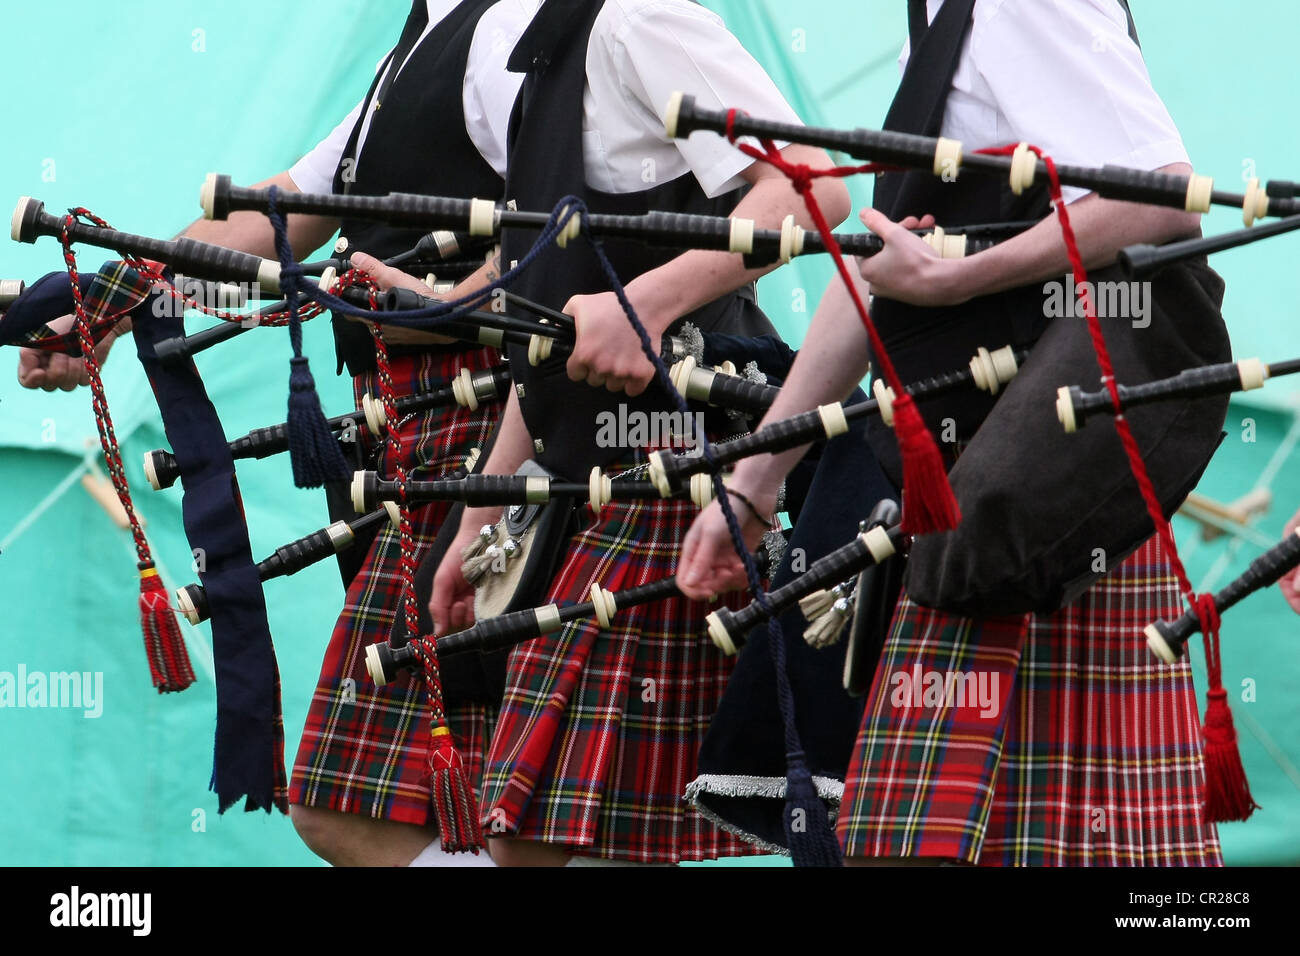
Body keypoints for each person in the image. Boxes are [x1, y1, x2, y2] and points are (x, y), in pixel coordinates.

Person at [679, 0, 1224, 866]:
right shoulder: (940, 17)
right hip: (970, 515)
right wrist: (754, 480)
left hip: (1027, 502)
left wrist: (959, 279)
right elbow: (878, 271)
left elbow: (1153, 193)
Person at [17, 0, 534, 867]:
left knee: (384, 805)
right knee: (432, 805)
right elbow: (281, 213)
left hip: (493, 435)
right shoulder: (421, 42)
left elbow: (562, 223)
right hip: (407, 443)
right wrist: (104, 301)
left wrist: (452, 304)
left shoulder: (524, 22)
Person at [366, 0, 850, 866]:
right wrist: (477, 517)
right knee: (532, 842)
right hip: (579, 472)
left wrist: (649, 305)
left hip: (672, 465)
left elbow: (811, 189)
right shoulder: (536, 54)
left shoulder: (644, 19)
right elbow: (544, 328)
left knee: (543, 843)